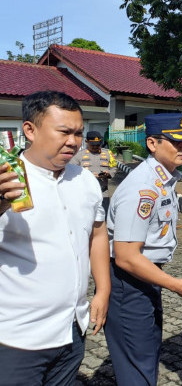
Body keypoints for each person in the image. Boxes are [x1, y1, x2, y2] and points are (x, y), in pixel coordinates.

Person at [0, 91, 110, 386]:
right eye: (64, 132)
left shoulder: (85, 180)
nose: (73, 141)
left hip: (72, 329)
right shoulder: (7, 180)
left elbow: (97, 233)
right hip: (17, 337)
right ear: (30, 130)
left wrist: (103, 289)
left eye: (78, 132)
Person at [105, 113, 182, 386]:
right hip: (129, 283)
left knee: (147, 354)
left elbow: (178, 205)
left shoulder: (164, 179)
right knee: (137, 366)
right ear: (152, 143)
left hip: (147, 278)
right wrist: (177, 285)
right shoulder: (142, 186)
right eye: (176, 142)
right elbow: (126, 257)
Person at [70, 130, 117, 212]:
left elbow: (114, 168)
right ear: (86, 141)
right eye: (93, 145)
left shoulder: (108, 153)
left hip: (103, 193)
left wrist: (108, 174)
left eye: (98, 144)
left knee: (103, 219)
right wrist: (88, 175)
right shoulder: (78, 155)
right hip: (84, 194)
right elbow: (71, 172)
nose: (95, 147)